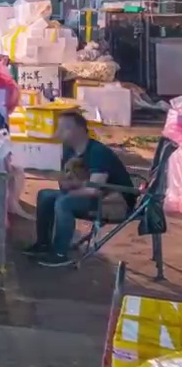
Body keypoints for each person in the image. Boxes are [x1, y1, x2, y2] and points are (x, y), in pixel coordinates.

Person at [26, 111, 135, 267]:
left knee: (64, 202)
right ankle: (43, 244)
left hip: (114, 201)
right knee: (45, 195)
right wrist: (65, 181)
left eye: (64, 128)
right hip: (94, 195)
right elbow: (65, 184)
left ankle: (60, 253)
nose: (58, 132)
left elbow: (94, 189)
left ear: (79, 130)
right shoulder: (68, 150)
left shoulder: (97, 152)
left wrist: (70, 187)